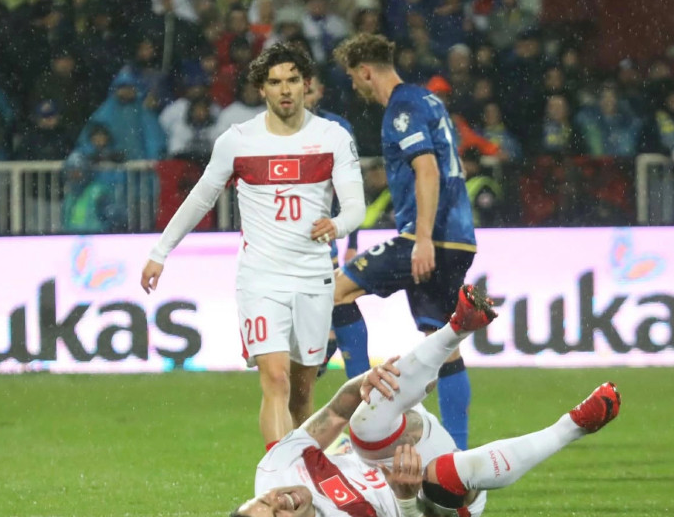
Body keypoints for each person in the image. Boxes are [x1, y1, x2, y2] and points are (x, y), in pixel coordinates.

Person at [223, 285, 622, 517]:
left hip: (398, 447)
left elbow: (336, 412)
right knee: (442, 475)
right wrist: (404, 497)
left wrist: (365, 381)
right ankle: (574, 426)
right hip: (431, 508)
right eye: (277, 516)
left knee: (363, 426)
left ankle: (457, 326)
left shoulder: (274, 469)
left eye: (265, 501)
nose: (280, 501)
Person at [141, 42, 367, 445]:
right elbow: (201, 198)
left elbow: (355, 207)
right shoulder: (238, 140)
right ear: (261, 89)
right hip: (260, 278)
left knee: (302, 392)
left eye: (292, 80)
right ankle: (279, 476)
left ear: (306, 84)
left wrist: (336, 224)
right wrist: (161, 252)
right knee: (275, 378)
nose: (285, 89)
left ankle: (300, 472)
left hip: (314, 277)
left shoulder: (333, 137)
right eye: (275, 82)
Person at [331, 33, 479, 450]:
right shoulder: (428, 100)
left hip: (429, 237)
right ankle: (457, 453)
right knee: (442, 344)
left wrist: (423, 239)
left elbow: (427, 169)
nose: (355, 86)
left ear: (365, 72)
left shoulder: (402, 108)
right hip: (459, 238)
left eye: (353, 78)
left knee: (337, 293)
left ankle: (360, 415)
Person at [303, 75, 370, 381]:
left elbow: (351, 187)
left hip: (322, 234)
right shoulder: (268, 130)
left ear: (319, 91)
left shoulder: (337, 128)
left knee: (337, 300)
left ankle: (361, 385)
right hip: (281, 239)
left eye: (308, 88)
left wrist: (352, 240)